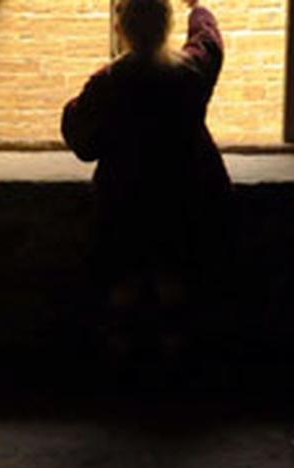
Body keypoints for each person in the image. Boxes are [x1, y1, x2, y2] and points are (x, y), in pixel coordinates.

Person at [61, 0, 232, 382]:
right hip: (184, 196)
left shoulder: (108, 83)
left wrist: (81, 107)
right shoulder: (189, 73)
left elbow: (81, 140)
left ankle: (122, 374)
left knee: (124, 281)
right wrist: (198, 8)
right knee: (174, 281)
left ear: (120, 30)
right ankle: (174, 375)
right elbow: (210, 43)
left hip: (125, 199)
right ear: (168, 27)